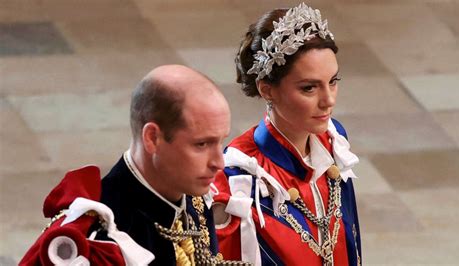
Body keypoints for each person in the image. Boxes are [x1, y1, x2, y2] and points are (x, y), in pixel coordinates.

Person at [212, 3, 362, 266]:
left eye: (333, 82)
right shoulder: (240, 178)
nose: (328, 100)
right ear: (268, 90)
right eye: (309, 88)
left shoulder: (333, 140)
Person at [99, 65, 234, 265]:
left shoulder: (192, 200)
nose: (219, 163)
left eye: (221, 141)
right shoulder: (103, 240)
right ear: (153, 138)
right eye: (202, 144)